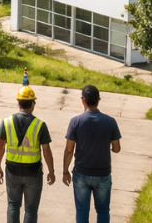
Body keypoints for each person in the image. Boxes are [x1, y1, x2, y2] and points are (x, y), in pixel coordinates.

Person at [0, 86, 55, 223]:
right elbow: (46, 150)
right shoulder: (40, 125)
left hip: (12, 171)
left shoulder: (6, 122)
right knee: (31, 210)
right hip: (33, 173)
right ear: (33, 103)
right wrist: (51, 171)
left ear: (18, 102)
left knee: (13, 205)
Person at [63, 85, 122, 223]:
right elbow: (117, 148)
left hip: (81, 174)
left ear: (83, 100)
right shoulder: (110, 122)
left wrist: (65, 171)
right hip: (102, 174)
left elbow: (69, 149)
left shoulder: (75, 121)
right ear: (98, 100)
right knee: (102, 211)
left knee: (82, 212)